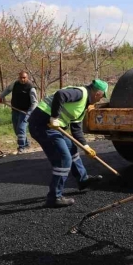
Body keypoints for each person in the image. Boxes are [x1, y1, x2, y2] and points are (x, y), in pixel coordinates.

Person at [27, 79, 108, 208]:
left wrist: (85, 146)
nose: (100, 100)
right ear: (98, 93)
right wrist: (54, 117)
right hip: (43, 124)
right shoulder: (80, 93)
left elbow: (76, 128)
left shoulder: (83, 104)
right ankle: (54, 197)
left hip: (54, 127)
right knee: (64, 159)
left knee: (72, 148)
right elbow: (61, 95)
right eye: (102, 96)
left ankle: (83, 180)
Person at [0, 71, 38, 154]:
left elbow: (35, 102)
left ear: (27, 78)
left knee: (21, 128)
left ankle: (21, 147)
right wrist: (0, 97)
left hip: (25, 111)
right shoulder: (15, 84)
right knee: (16, 129)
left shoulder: (31, 87)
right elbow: (7, 90)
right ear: (18, 77)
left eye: (24, 78)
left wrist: (30, 112)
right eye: (21, 77)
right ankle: (26, 144)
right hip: (15, 109)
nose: (22, 79)